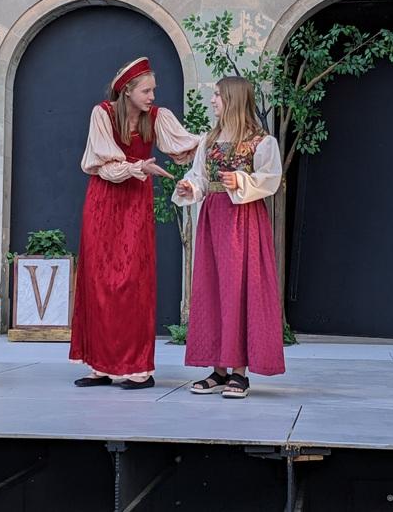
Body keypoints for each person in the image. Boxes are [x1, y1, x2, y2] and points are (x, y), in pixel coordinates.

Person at [70, 57, 199, 390]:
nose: (152, 96)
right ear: (127, 91)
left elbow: (185, 145)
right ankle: (98, 364)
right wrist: (139, 166)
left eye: (153, 89)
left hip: (134, 204)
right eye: (146, 90)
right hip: (102, 201)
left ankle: (137, 368)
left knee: (132, 279)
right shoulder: (102, 113)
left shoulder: (157, 118)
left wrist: (217, 138)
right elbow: (103, 163)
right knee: (98, 278)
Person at [173, 76, 285, 399]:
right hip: (213, 219)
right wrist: (190, 187)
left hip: (243, 221)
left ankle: (239, 371)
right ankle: (218, 369)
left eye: (218, 96)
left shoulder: (261, 142)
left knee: (239, 289)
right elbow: (201, 176)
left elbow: (270, 179)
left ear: (233, 100)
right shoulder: (209, 140)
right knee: (213, 288)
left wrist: (240, 180)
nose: (213, 101)